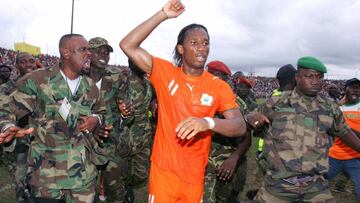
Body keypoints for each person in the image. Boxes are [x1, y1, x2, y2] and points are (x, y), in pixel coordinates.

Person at [119, 1, 246, 202]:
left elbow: (239, 126)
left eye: (205, 43)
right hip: (164, 173)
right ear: (180, 49)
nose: (201, 48)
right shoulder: (164, 73)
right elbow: (127, 45)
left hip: (195, 175)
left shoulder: (218, 86)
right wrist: (162, 14)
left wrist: (208, 122)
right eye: (194, 43)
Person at [0, 34, 107, 203]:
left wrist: (96, 119)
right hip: (47, 177)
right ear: (65, 53)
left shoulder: (91, 87)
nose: (89, 54)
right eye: (83, 49)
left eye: (89, 50)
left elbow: (102, 112)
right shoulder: (39, 79)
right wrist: (6, 126)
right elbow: (6, 106)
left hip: (83, 177)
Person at [246, 56, 360, 202]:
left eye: (319, 77)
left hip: (315, 186)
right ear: (297, 77)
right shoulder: (278, 102)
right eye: (309, 76)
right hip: (278, 185)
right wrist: (250, 118)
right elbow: (251, 115)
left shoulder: (329, 107)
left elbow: (346, 133)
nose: (315, 81)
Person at [87, 37, 130, 202]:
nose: (104, 55)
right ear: (88, 53)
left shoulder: (116, 76)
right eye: (99, 51)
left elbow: (125, 106)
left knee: (116, 188)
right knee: (87, 189)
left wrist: (126, 111)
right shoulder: (79, 74)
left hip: (110, 140)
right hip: (85, 141)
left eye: (106, 52)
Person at [203, 60, 251, 203]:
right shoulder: (197, 98)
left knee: (223, 198)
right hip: (201, 162)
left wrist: (234, 158)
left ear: (226, 80)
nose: (214, 80)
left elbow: (246, 138)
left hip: (225, 165)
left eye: (219, 77)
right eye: (211, 75)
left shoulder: (236, 104)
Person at [0, 52, 38, 203]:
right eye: (23, 62)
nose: (29, 65)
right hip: (19, 139)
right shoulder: (7, 87)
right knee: (21, 176)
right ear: (16, 65)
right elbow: (3, 111)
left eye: (32, 61)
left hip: (40, 138)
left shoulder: (41, 85)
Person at [117, 59, 154, 202]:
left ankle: (133, 193)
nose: (143, 64)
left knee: (141, 174)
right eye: (140, 62)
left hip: (143, 136)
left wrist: (153, 102)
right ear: (131, 64)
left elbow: (153, 97)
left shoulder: (149, 83)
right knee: (122, 173)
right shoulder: (124, 83)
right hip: (126, 136)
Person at [328, 77, 360, 200]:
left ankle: (340, 185)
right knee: (313, 185)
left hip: (356, 158)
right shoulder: (337, 108)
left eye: (358, 88)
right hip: (334, 156)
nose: (356, 90)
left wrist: (346, 131)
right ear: (345, 89)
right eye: (352, 87)